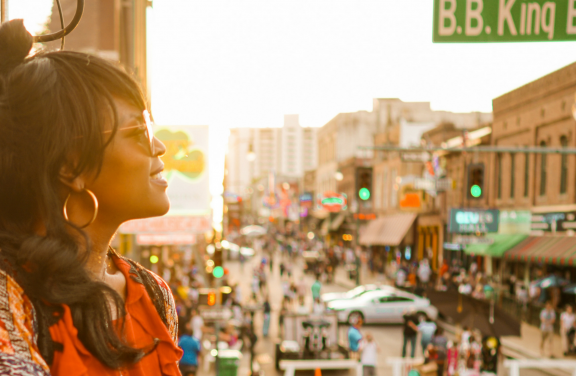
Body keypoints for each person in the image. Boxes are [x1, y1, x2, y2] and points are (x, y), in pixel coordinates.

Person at [0, 20, 182, 375]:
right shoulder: (9, 300)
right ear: (71, 166)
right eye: (137, 131)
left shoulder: (153, 294)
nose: (158, 147)